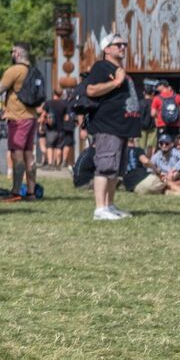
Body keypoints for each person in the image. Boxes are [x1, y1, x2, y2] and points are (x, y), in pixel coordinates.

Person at [84, 33, 142, 220]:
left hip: (121, 126)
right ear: (107, 49)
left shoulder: (119, 68)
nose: (123, 47)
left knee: (115, 168)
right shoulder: (101, 66)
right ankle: (99, 208)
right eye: (118, 44)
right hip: (107, 125)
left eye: (124, 44)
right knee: (105, 165)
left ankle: (109, 205)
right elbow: (90, 90)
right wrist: (116, 82)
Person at [0, 42, 39, 200]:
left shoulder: (14, 70)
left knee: (17, 155)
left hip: (18, 118)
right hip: (31, 117)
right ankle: (31, 192)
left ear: (16, 53)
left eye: (11, 52)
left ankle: (15, 192)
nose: (11, 54)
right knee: (29, 155)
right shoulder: (33, 70)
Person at [44, 89, 74, 169]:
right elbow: (67, 117)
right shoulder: (64, 104)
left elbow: (43, 114)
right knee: (58, 147)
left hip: (50, 129)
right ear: (61, 95)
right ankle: (58, 164)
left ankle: (50, 164)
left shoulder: (48, 103)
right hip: (61, 129)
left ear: (53, 93)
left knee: (50, 146)